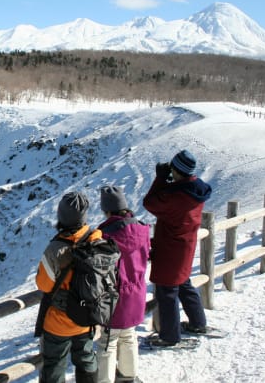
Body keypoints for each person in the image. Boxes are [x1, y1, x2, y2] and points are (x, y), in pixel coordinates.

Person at [142, 149, 212, 346]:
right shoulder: (196, 191)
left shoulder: (177, 196)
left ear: (177, 169)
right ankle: (198, 323)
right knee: (183, 284)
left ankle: (170, 337)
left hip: (170, 249)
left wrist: (160, 179)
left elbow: (150, 203)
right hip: (186, 246)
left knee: (167, 292)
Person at [35, 191, 101, 383]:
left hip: (59, 321)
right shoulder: (96, 240)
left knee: (54, 365)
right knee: (86, 359)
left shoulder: (56, 249)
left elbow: (43, 285)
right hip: (87, 317)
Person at [96, 186, 150, 383]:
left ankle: (104, 380)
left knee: (108, 342)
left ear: (107, 210)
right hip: (137, 292)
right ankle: (129, 376)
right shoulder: (142, 229)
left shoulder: (105, 235)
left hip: (114, 296)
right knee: (128, 335)